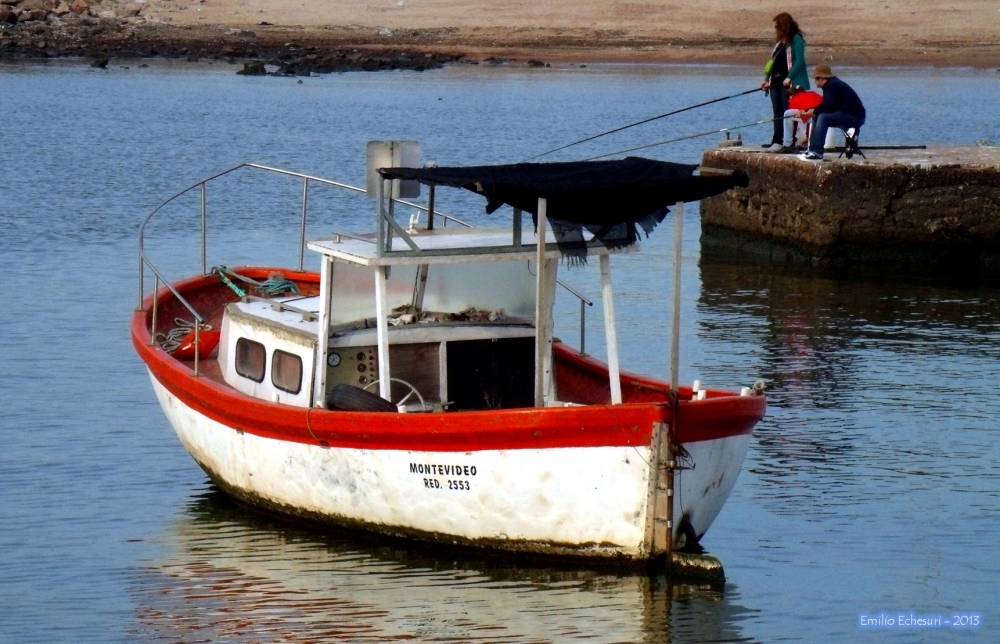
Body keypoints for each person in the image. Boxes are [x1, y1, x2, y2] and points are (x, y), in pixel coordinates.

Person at [797, 64, 866, 161]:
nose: (814, 81)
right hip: (846, 114)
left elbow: (828, 107)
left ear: (821, 78)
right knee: (817, 115)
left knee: (823, 117)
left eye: (815, 79)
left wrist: (814, 110)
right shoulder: (831, 85)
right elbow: (827, 105)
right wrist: (809, 110)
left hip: (855, 117)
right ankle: (812, 149)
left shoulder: (832, 85)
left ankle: (817, 152)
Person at [760, 12, 809, 152]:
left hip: (788, 82)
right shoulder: (779, 43)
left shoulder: (796, 39)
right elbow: (772, 63)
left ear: (785, 26)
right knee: (777, 112)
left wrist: (789, 77)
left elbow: (800, 61)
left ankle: (787, 141)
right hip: (775, 81)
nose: (776, 30)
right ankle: (776, 140)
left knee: (787, 111)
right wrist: (766, 80)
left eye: (778, 26)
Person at [768, 85, 823, 152]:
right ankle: (810, 142)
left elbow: (794, 123)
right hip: (824, 115)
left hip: (815, 115)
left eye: (788, 99)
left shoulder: (794, 100)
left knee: (787, 114)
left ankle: (788, 144)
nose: (788, 101)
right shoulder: (812, 93)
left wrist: (793, 138)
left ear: (791, 96)